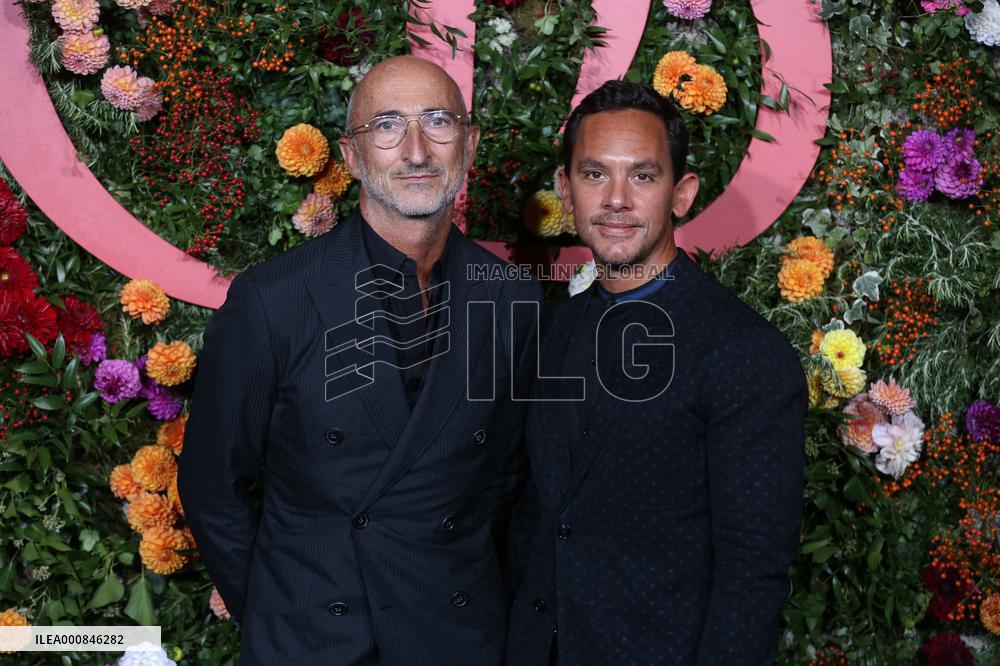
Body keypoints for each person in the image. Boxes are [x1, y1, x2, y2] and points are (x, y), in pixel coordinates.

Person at [178, 55, 540, 665]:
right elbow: (211, 486)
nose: (417, 151)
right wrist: (279, 617)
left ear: (470, 144)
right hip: (316, 639)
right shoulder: (273, 299)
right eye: (388, 126)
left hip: (456, 638)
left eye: (438, 122)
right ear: (350, 155)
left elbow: (503, 479)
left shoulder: (511, 298)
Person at [506, 80, 807, 665]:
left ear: (681, 194)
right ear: (566, 189)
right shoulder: (554, 328)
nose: (616, 199)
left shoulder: (744, 352)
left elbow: (753, 572)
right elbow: (536, 514)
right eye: (595, 174)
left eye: (642, 176)